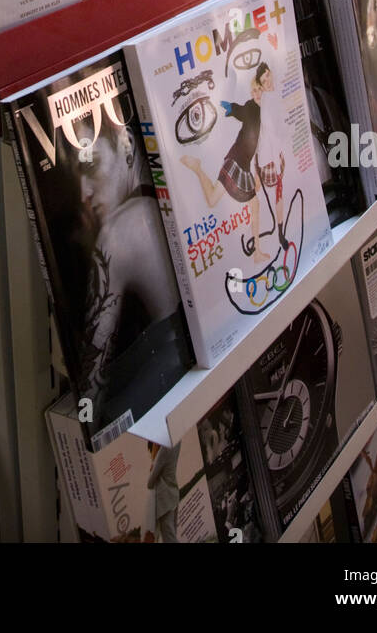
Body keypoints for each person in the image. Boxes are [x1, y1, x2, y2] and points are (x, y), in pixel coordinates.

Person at [77, 118, 188, 426]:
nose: (82, 191)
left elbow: (90, 387)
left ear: (126, 146)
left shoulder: (118, 232)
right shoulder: (179, 188)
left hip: (165, 390)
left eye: (91, 165)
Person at [181, 60, 284, 266]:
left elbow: (258, 144)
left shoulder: (265, 111)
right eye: (254, 90)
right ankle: (198, 168)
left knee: (255, 204)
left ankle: (257, 252)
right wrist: (231, 109)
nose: (256, 94)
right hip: (235, 161)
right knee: (211, 200)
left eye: (259, 90)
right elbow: (241, 110)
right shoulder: (251, 107)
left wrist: (255, 173)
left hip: (245, 166)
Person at [145, 441, 181, 543]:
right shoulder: (177, 442)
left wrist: (153, 464)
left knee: (169, 539)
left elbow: (150, 482)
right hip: (173, 494)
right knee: (172, 535)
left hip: (165, 502)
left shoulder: (164, 450)